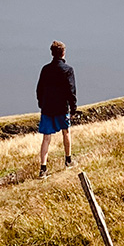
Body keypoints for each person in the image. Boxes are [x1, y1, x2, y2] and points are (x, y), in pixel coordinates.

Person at [36, 40, 78, 176]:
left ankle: (43, 169)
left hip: (47, 107)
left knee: (46, 138)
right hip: (61, 108)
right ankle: (68, 160)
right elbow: (71, 90)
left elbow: (39, 88)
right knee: (66, 132)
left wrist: (41, 103)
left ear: (52, 53)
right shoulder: (68, 70)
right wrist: (73, 108)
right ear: (63, 53)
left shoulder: (45, 69)